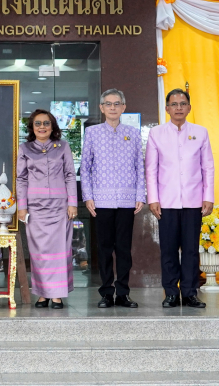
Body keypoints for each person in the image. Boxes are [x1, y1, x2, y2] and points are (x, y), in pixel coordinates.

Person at [146, 89, 214, 309]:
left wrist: (208, 196)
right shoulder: (156, 133)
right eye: (173, 104)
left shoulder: (200, 132)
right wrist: (153, 199)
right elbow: (151, 169)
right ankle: (171, 293)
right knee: (168, 250)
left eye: (182, 104)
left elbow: (208, 167)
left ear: (189, 108)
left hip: (194, 201)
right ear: (166, 108)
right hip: (166, 202)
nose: (178, 108)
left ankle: (190, 292)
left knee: (191, 250)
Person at [80, 89, 145, 309]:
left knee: (124, 249)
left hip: (127, 200)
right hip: (101, 200)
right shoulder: (93, 133)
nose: (113, 107)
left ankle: (123, 293)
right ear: (101, 108)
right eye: (108, 104)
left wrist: (140, 195)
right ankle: (107, 292)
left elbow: (140, 167)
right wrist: (88, 196)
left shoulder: (133, 133)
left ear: (124, 107)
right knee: (105, 248)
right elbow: (85, 168)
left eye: (117, 104)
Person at [16, 110, 77, 309]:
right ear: (32, 127)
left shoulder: (63, 147)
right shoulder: (25, 148)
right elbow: (21, 178)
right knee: (39, 252)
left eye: (46, 123)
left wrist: (73, 203)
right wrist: (22, 207)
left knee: (60, 250)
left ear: (53, 127)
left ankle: (57, 295)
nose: (42, 127)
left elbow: (69, 175)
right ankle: (42, 294)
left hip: (60, 207)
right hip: (35, 208)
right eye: (38, 123)